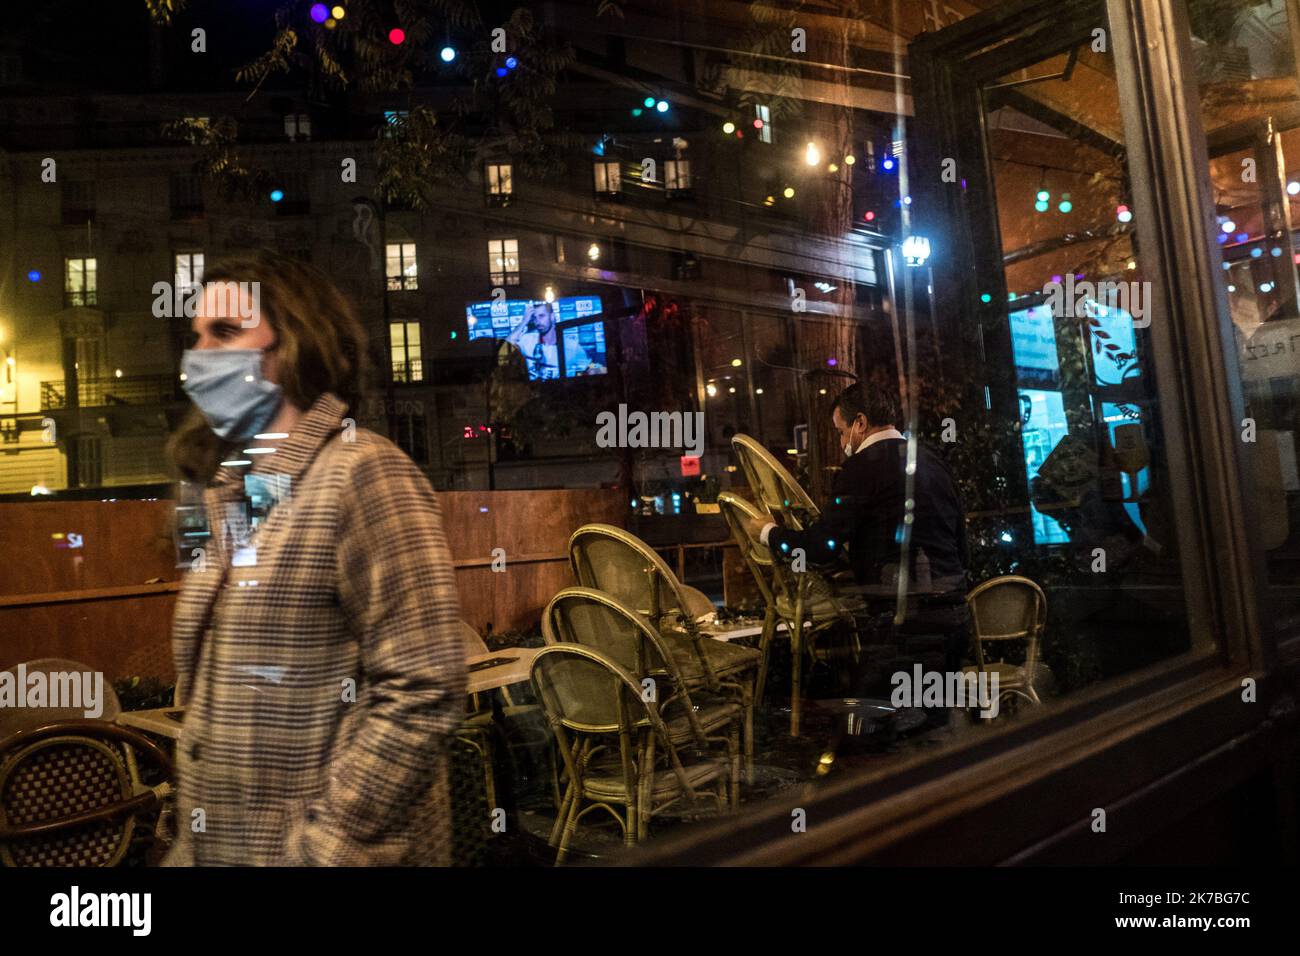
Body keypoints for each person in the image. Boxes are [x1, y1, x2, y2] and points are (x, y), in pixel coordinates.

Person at [162, 250, 466, 866]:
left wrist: (327, 848)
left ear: (292, 343)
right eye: (196, 336)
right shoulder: (225, 494)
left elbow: (423, 689)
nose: (200, 356)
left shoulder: (364, 472)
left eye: (225, 331)